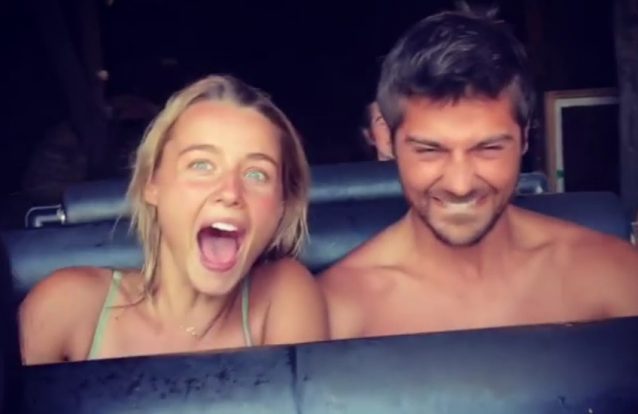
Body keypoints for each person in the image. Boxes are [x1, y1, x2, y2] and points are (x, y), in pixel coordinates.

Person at [319, 10, 638, 340]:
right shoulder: (336, 309)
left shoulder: (613, 275)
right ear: (388, 143)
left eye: (488, 148)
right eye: (429, 150)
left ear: (525, 139)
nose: (460, 185)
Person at [20, 75, 328, 364]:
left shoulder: (284, 292)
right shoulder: (65, 305)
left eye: (257, 174)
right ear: (152, 184)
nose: (230, 192)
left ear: (281, 206)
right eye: (202, 165)